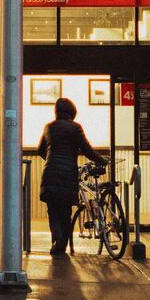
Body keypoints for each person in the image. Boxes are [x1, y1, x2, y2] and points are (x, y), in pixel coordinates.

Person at [37, 98, 106, 256]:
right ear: (72, 112)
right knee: (65, 212)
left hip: (50, 173)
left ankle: (57, 242)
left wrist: (52, 160)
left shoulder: (49, 127)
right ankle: (62, 245)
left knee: (53, 211)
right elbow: (87, 149)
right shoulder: (75, 128)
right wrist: (101, 160)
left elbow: (40, 150)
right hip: (68, 175)